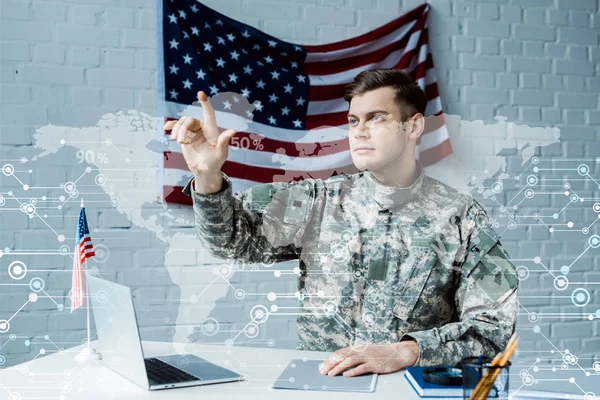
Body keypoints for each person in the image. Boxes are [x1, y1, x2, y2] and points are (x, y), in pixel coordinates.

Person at [164, 68, 519, 378]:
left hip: (408, 391)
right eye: (353, 120)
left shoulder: (462, 218)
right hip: (320, 387)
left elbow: (495, 329)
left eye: (377, 117)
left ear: (414, 126)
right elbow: (230, 241)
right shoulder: (317, 200)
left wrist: (405, 351)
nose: (359, 131)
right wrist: (207, 174)